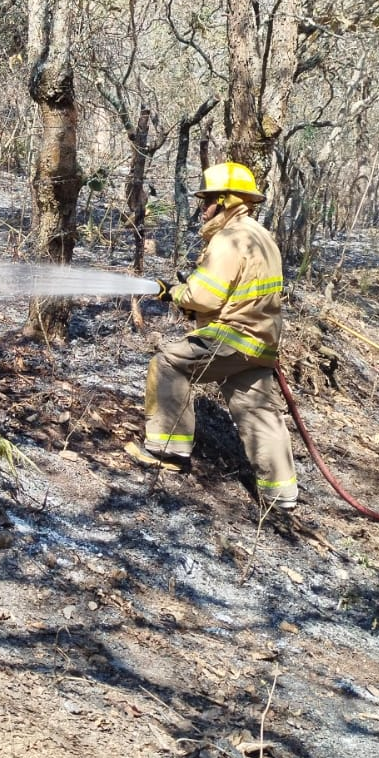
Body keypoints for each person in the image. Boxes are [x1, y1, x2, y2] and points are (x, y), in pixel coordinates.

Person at [128, 161, 298, 512]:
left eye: (207, 200)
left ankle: (167, 450)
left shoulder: (229, 239)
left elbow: (205, 296)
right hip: (261, 342)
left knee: (168, 363)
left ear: (225, 201)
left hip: (232, 335)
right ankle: (281, 496)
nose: (202, 207)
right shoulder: (261, 236)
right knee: (258, 412)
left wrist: (174, 293)